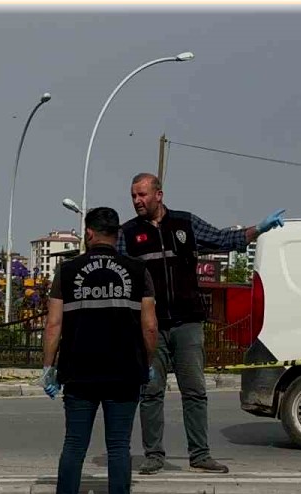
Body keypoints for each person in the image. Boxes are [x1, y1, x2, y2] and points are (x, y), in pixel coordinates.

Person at [117, 172, 285, 475]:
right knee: (151, 393)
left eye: (142, 195)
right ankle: (153, 456)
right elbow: (116, 273)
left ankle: (200, 454)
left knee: (194, 391)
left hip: (188, 324)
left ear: (159, 194)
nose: (137, 201)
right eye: (133, 196)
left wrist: (258, 229)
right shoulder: (127, 233)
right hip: (150, 327)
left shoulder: (185, 224)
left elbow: (224, 239)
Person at [41, 206, 158, 494]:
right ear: (117, 235)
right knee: (119, 446)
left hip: (78, 372)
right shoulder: (138, 270)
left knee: (74, 445)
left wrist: (48, 367)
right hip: (124, 372)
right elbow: (150, 326)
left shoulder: (66, 271)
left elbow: (54, 324)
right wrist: (147, 362)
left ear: (89, 233)